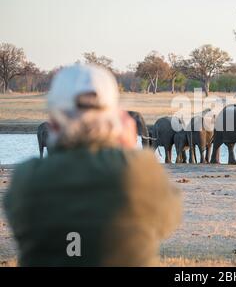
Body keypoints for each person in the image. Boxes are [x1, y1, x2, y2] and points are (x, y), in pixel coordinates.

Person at [4, 64, 181, 266]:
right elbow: (168, 221)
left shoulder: (27, 177)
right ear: (114, 117)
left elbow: (19, 226)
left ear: (53, 120)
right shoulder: (140, 170)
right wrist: (128, 150)